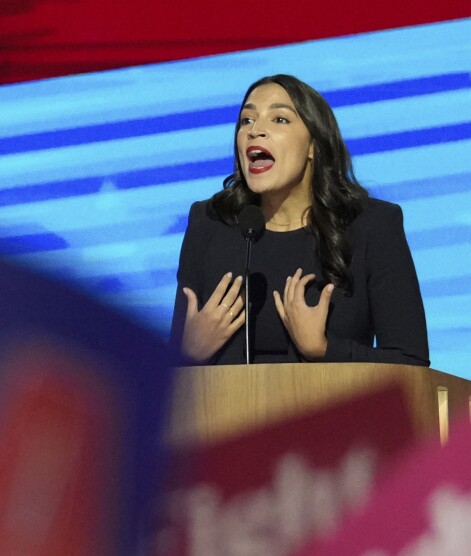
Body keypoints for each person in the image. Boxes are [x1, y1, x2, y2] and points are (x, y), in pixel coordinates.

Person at [171, 74, 429, 366]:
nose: (256, 130)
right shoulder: (210, 223)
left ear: (313, 146)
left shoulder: (371, 225)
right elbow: (163, 385)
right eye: (246, 120)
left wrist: (324, 349)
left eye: (279, 119)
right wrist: (188, 352)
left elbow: (410, 362)